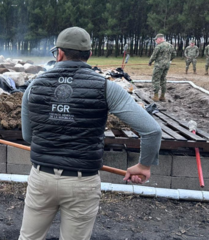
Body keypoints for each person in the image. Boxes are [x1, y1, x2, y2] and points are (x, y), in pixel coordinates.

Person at [19, 27, 162, 240]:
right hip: (82, 183)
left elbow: (28, 137)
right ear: (89, 55)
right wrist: (144, 165)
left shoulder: (34, 85)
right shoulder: (105, 87)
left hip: (42, 178)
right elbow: (152, 130)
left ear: (59, 53)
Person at [148, 34, 176, 102]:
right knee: (163, 79)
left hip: (159, 65)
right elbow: (174, 54)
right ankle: (162, 96)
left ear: (160, 39)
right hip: (167, 65)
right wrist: (169, 60)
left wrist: (150, 62)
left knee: (156, 79)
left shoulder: (159, 46)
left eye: (156, 40)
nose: (155, 41)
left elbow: (154, 55)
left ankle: (156, 96)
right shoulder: (170, 45)